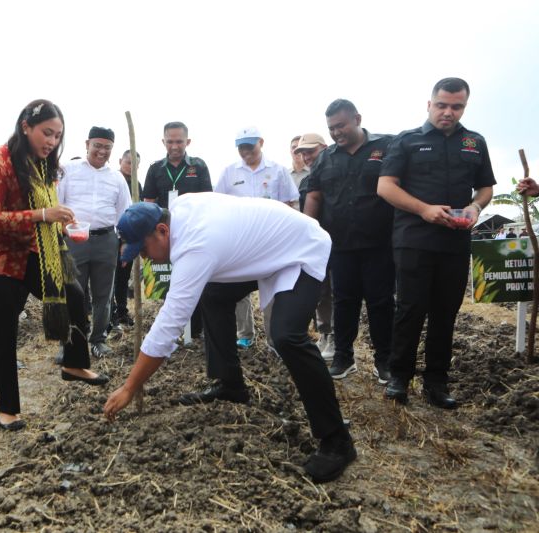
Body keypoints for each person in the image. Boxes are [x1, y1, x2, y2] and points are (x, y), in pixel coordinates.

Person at [103, 195, 356, 483]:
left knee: (287, 336)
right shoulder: (180, 210)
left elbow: (169, 324)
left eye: (144, 250)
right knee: (213, 295)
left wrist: (130, 387)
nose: (144, 258)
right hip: (264, 249)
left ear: (162, 230)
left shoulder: (196, 246)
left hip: (300, 247)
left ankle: (337, 440)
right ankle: (231, 384)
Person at [0, 99, 109, 431]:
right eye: (47, 133)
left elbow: (48, 206)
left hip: (30, 247)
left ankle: (74, 363)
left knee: (72, 294)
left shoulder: (44, 164)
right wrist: (43, 215)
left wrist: (60, 223)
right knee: (3, 327)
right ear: (25, 127)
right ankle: (7, 409)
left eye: (57, 136)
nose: (52, 142)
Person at [378, 77, 495, 408]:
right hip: (414, 238)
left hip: (455, 242)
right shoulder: (406, 141)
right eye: (442, 105)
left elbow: (486, 187)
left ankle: (437, 383)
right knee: (411, 309)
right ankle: (399, 378)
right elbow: (385, 187)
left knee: (446, 313)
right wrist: (424, 209)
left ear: (464, 107)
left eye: (456, 107)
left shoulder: (474, 142)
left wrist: (475, 206)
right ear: (429, 104)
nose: (448, 112)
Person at [305, 100, 395, 384]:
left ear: (357, 119)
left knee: (381, 302)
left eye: (341, 126)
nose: (336, 133)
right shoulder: (325, 158)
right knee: (344, 301)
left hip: (380, 243)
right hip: (340, 244)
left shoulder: (387, 147)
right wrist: (307, 232)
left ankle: (385, 361)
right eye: (331, 128)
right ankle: (344, 357)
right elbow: (315, 196)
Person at [214, 126, 299, 349]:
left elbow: (290, 204)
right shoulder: (229, 172)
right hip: (240, 242)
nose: (245, 152)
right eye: (241, 148)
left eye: (249, 147)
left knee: (272, 290)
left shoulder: (278, 171)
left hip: (272, 241)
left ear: (261, 142)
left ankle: (274, 340)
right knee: (237, 288)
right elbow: (217, 204)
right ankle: (244, 334)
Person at [57, 127, 131, 357]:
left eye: (107, 147)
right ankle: (70, 343)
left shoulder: (117, 178)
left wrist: (125, 242)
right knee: (73, 293)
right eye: (97, 145)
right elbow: (57, 203)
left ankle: (98, 339)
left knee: (103, 294)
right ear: (87, 144)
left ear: (112, 149)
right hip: (74, 239)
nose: (101, 151)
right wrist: (63, 230)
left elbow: (124, 213)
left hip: (106, 240)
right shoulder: (68, 170)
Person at [142, 121, 212, 337]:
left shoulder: (198, 166)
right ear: (163, 141)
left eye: (179, 141)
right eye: (170, 141)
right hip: (166, 237)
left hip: (193, 234)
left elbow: (208, 201)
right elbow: (148, 203)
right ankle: (175, 330)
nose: (174, 146)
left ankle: (197, 330)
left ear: (187, 141)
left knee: (195, 281)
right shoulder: (155, 169)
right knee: (169, 283)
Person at [295, 133, 334, 360]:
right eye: (303, 152)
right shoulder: (305, 183)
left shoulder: (334, 174)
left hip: (337, 241)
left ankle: (337, 337)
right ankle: (325, 334)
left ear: (324, 148)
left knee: (337, 292)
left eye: (311, 151)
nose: (307, 156)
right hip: (315, 245)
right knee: (320, 291)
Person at [111, 150, 141, 329]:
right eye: (128, 162)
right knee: (110, 277)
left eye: (135, 164)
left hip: (129, 238)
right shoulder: (112, 180)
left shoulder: (136, 184)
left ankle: (122, 310)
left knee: (123, 276)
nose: (131, 167)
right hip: (111, 236)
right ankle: (111, 312)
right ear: (120, 160)